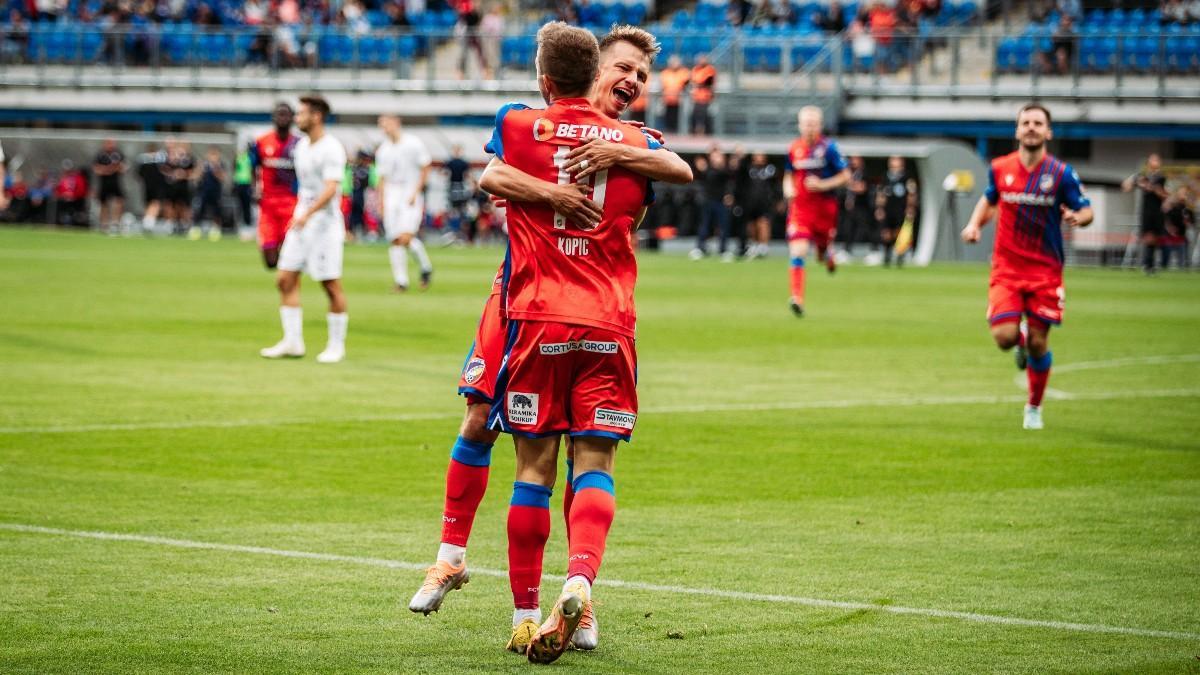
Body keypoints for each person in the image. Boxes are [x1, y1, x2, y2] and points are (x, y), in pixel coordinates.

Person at [407, 23, 691, 662]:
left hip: (547, 306)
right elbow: (493, 177)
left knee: (544, 457)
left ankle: (554, 605)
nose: (632, 82)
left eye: (642, 77)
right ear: (592, 68)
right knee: (482, 419)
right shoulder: (547, 129)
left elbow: (669, 165)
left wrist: (617, 156)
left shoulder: (606, 137)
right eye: (624, 68)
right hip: (523, 296)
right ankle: (451, 558)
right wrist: (560, 190)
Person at [961, 103, 1093, 431]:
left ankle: (1033, 407)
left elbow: (1086, 208)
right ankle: (1017, 335)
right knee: (1004, 337)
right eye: (1026, 122)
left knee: (1038, 343)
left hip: (1045, 271)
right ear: (1017, 131)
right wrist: (975, 224)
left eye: (1038, 123)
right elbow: (991, 199)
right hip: (1006, 266)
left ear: (1048, 132)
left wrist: (1079, 218)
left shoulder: (1061, 174)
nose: (1031, 127)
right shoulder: (1000, 168)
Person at [260, 94, 349, 364]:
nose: (297, 118)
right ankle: (293, 341)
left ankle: (336, 345)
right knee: (284, 279)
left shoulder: (331, 148)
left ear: (316, 116)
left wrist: (307, 214)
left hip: (324, 225)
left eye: (301, 114)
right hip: (301, 222)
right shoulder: (301, 148)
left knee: (330, 285)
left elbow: (332, 188)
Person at [784, 106, 851, 317]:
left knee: (820, 255)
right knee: (798, 250)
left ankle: (828, 255)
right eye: (806, 124)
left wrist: (823, 185)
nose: (809, 128)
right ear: (800, 125)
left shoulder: (829, 148)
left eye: (813, 124)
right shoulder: (794, 148)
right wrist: (788, 188)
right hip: (801, 209)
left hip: (824, 210)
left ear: (820, 125)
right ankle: (797, 297)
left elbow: (846, 176)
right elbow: (788, 174)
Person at [375, 114, 434, 292]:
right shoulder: (383, 150)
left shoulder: (413, 143)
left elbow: (425, 167)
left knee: (406, 237)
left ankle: (425, 267)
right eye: (382, 125)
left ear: (397, 124)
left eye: (388, 124)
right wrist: (381, 202)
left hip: (409, 191)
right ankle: (402, 281)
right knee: (395, 239)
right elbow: (382, 178)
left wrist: (417, 191)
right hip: (391, 194)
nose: (385, 128)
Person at [250, 102, 300, 269]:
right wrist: (254, 188)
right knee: (270, 260)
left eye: (286, 114)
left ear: (292, 118)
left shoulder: (300, 144)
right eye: (279, 114)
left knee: (290, 254)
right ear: (273, 118)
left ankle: (286, 283)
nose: (282, 118)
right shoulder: (261, 142)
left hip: (291, 203)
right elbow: (253, 166)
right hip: (268, 204)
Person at [1122, 153, 1170, 275]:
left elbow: (1165, 195)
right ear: (1148, 163)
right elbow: (1125, 187)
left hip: (1157, 211)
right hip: (1146, 211)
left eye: (1157, 160)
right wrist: (1132, 180)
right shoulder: (1142, 176)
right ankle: (1147, 264)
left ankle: (1151, 264)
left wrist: (1152, 188)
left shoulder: (1161, 178)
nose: (1155, 162)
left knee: (1155, 238)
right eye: (1153, 160)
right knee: (1148, 237)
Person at [690, 147, 734, 261]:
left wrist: (729, 195)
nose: (716, 158)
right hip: (708, 200)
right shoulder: (706, 169)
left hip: (721, 201)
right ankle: (701, 248)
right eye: (714, 156)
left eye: (718, 156)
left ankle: (723, 250)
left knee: (723, 226)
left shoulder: (725, 170)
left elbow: (729, 179)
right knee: (704, 225)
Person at [877, 155, 917, 267]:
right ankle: (887, 254)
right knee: (886, 233)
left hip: (900, 208)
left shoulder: (907, 177)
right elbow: (881, 193)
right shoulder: (886, 176)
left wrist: (910, 207)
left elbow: (911, 193)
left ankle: (900, 254)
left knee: (899, 232)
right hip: (888, 208)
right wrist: (879, 208)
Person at [92, 138, 127, 234]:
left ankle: (116, 223)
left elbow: (123, 168)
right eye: (109, 143)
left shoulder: (118, 154)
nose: (111, 145)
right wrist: (110, 169)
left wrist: (110, 169)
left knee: (119, 202)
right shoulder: (100, 155)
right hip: (104, 183)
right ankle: (104, 224)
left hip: (115, 183)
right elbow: (96, 170)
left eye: (112, 143)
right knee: (104, 204)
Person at [841, 155, 873, 258]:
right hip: (850, 208)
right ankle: (846, 251)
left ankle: (873, 251)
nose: (853, 162)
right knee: (847, 229)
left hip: (862, 208)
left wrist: (848, 183)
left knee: (865, 229)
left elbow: (862, 188)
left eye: (856, 159)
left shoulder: (865, 174)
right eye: (852, 159)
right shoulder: (850, 173)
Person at [193, 147, 227, 240]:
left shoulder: (220, 165)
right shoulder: (204, 165)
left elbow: (223, 178)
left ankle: (216, 229)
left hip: (216, 192)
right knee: (200, 210)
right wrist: (200, 170)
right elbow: (196, 176)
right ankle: (196, 229)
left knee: (217, 211)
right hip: (204, 191)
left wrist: (216, 170)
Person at [445, 144, 474, 242]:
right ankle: (454, 233)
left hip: (459, 187)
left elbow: (468, 175)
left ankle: (460, 234)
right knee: (454, 211)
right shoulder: (450, 162)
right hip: (454, 186)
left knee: (460, 211)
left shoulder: (462, 163)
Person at [137, 143, 168, 233]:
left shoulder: (142, 160)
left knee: (149, 204)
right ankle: (148, 223)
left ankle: (147, 222)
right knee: (156, 204)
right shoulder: (159, 159)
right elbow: (165, 171)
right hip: (157, 186)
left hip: (147, 186)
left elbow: (139, 175)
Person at [1161, 186, 1194, 269]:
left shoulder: (1188, 210)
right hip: (1168, 237)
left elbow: (1191, 223)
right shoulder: (1171, 207)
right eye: (1182, 193)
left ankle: (1182, 269)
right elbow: (1165, 219)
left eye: (1186, 193)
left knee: (1182, 262)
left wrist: (1188, 222)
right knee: (1165, 260)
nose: (1184, 195)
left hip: (1181, 237)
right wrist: (1170, 229)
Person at [347, 149, 374, 240]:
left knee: (360, 214)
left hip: (362, 195)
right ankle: (352, 233)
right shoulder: (356, 169)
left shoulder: (365, 169)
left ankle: (359, 232)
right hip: (354, 194)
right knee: (354, 215)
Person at [659, 55, 690, 134]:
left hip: (679, 101)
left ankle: (678, 132)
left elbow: (686, 85)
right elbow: (662, 86)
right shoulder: (665, 73)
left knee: (678, 117)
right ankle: (669, 131)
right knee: (668, 117)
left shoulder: (684, 72)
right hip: (667, 99)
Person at [690, 54, 716, 135]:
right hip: (696, 97)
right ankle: (695, 132)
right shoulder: (695, 69)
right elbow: (692, 81)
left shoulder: (710, 69)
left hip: (706, 97)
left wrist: (698, 84)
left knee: (705, 116)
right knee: (695, 115)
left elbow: (708, 81)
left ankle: (707, 132)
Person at [232, 147, 254, 237]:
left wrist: (253, 184)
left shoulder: (249, 158)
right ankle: (239, 225)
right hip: (239, 184)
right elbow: (235, 170)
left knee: (247, 206)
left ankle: (247, 226)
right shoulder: (237, 158)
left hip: (247, 184)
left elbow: (252, 171)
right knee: (239, 206)